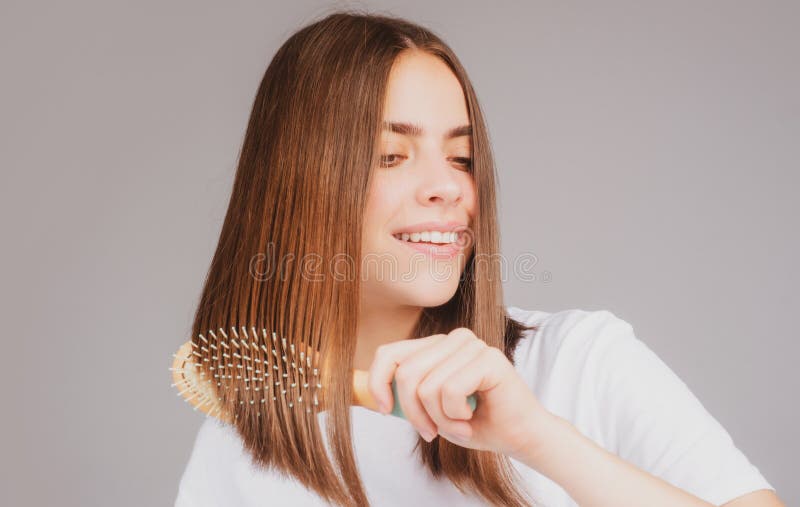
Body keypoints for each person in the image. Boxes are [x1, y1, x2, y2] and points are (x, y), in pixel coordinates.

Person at [174, 10, 783, 507]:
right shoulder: (237, 450)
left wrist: (536, 439)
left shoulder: (579, 363)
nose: (448, 188)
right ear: (298, 183)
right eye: (391, 155)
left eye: (462, 158)